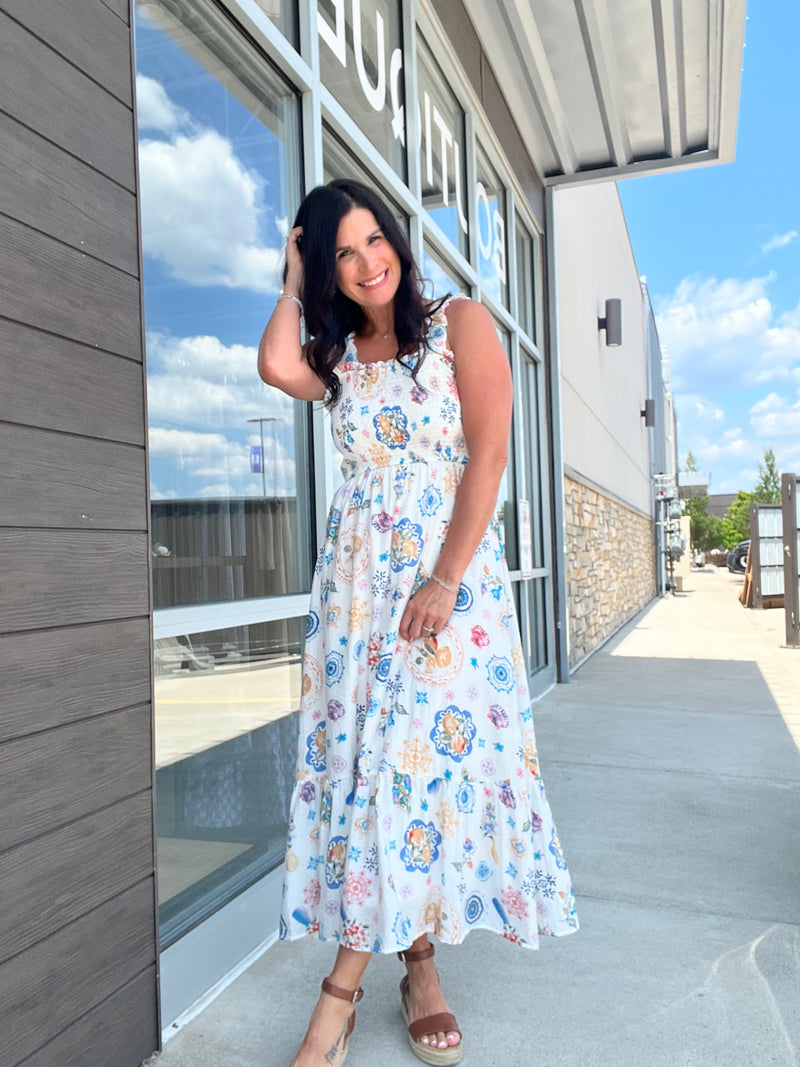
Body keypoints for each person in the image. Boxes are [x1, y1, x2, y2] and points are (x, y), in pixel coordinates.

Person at [258, 179, 578, 1067]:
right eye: (342, 256)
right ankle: (420, 967)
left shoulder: (460, 324)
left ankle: (338, 1002)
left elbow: (491, 452)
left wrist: (442, 577)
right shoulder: (340, 357)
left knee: (412, 769)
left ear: (395, 237)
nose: (366, 265)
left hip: (446, 591)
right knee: (376, 778)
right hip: (356, 599)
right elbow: (275, 367)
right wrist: (291, 279)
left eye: (372, 241)